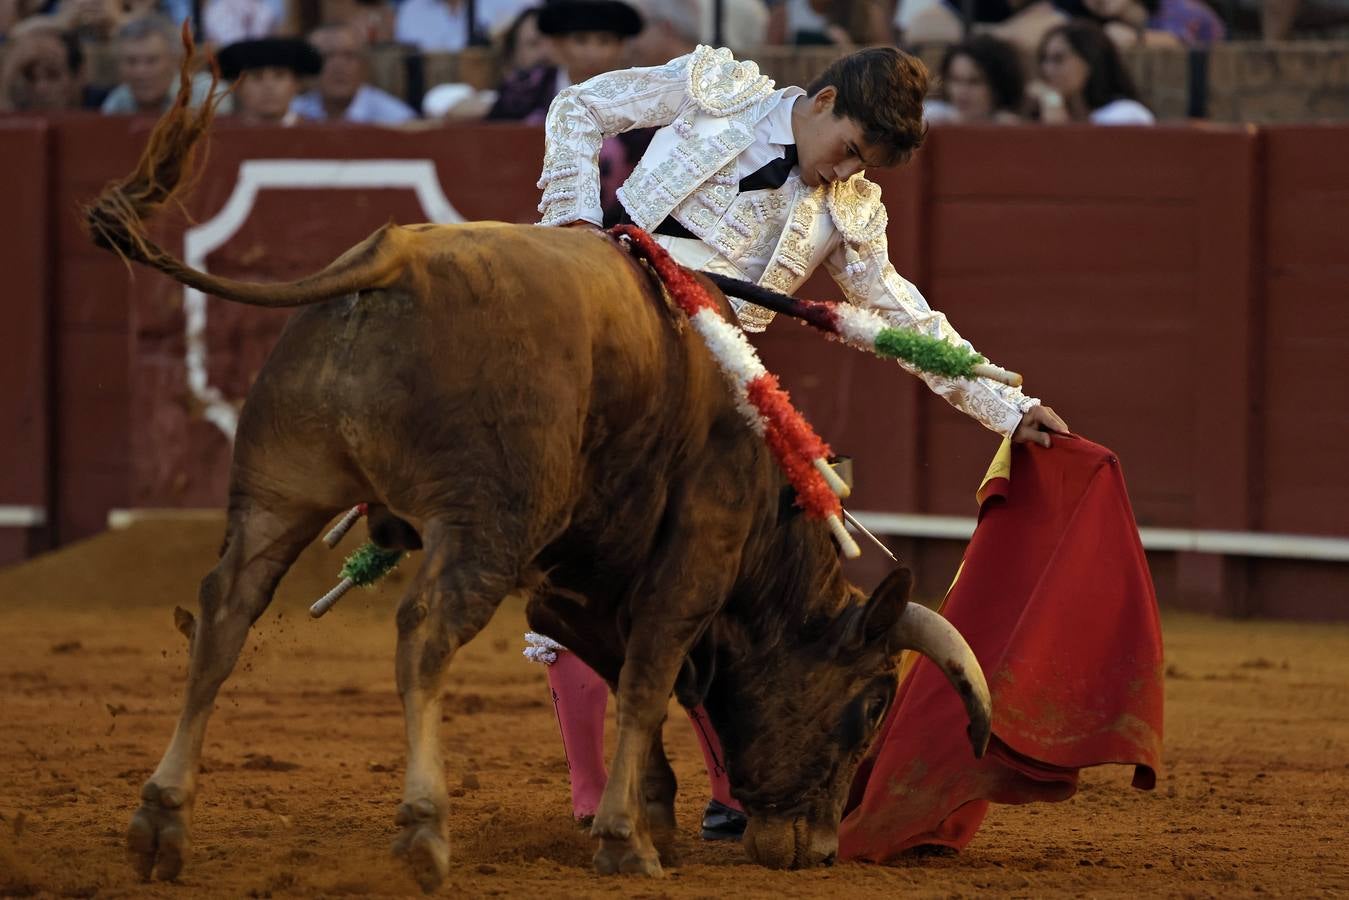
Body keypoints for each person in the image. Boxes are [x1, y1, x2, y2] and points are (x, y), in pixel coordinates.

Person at [529, 44, 1069, 840]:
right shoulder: (716, 90)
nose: (841, 175)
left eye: (864, 167)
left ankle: (731, 792)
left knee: (736, 579)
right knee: (573, 561)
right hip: (605, 335)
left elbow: (905, 320)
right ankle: (589, 791)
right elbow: (578, 107)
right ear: (819, 102)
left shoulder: (849, 210)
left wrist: (1007, 405)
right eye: (847, 150)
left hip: (712, 387)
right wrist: (574, 226)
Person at [486, 0, 642, 123]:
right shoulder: (523, 90)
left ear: (621, 47)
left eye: (605, 41)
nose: (592, 53)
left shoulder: (638, 98)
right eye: (580, 40)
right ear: (558, 44)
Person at [1032, 19, 1155, 124]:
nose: (1047, 69)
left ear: (1090, 61)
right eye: (1044, 60)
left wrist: (1052, 101)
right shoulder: (1049, 111)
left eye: (1058, 59)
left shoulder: (1127, 114)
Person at [291, 22, 416, 123]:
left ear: (365, 65)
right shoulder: (293, 113)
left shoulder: (396, 120)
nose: (339, 67)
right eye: (326, 57)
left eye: (349, 56)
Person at [101, 14, 225, 114]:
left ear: (174, 61)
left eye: (152, 60)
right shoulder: (117, 103)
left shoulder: (207, 95)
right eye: (131, 61)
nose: (140, 71)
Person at [924, 34, 1026, 124]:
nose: (962, 91)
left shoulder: (1010, 127)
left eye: (974, 82)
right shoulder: (931, 118)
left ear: (997, 86)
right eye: (955, 80)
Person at [218, 36, 321, 124]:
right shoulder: (215, 134)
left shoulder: (319, 132)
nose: (269, 86)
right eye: (256, 77)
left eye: (279, 76)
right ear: (237, 86)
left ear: (297, 84)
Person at [0, 19, 92, 111]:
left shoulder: (104, 107)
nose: (40, 89)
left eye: (53, 75)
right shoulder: (22, 108)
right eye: (30, 77)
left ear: (80, 75)